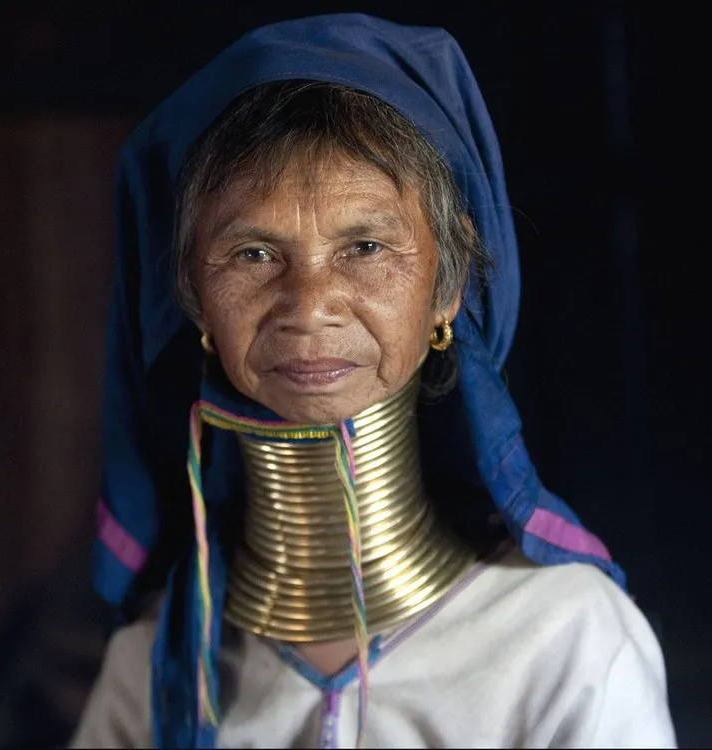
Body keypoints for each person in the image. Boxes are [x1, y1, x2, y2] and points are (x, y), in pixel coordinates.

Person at [73, 13, 677, 749]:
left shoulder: (564, 642)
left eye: (364, 246)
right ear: (194, 295)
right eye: (254, 253)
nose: (309, 306)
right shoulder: (156, 668)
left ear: (449, 282)